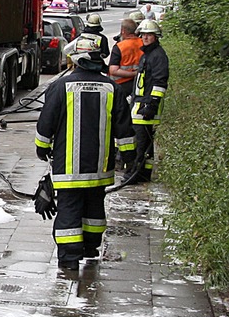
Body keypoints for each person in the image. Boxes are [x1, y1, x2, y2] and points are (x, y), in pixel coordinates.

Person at [35, 35, 135, 271]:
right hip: (100, 167)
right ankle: (90, 248)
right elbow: (125, 127)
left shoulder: (60, 87)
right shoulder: (111, 88)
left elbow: (45, 124)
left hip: (68, 169)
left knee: (69, 210)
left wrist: (42, 148)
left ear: (76, 60)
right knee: (94, 209)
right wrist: (129, 156)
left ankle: (69, 259)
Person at [120, 19, 170, 186]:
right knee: (145, 144)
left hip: (146, 108)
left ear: (156, 37)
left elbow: (159, 82)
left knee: (140, 144)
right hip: (140, 105)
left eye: (149, 35)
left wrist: (151, 105)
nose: (146, 38)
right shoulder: (148, 54)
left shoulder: (158, 56)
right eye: (144, 35)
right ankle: (143, 173)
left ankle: (136, 173)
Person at [108, 17, 144, 107]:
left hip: (121, 85)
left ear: (123, 31)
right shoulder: (143, 43)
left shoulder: (120, 47)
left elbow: (113, 70)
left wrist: (134, 74)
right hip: (140, 84)